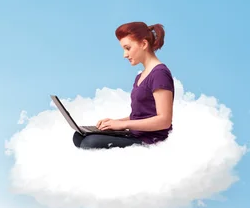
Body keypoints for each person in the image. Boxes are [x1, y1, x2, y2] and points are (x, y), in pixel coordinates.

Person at [73, 21, 175, 149]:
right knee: (79, 136)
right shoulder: (141, 76)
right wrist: (116, 122)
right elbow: (140, 115)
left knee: (90, 142)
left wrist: (123, 125)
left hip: (150, 140)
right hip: (135, 134)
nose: (125, 55)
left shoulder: (160, 74)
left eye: (128, 48)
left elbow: (164, 121)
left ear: (143, 44)